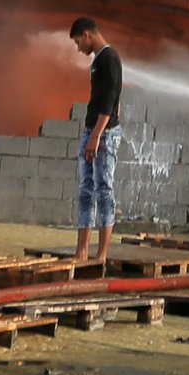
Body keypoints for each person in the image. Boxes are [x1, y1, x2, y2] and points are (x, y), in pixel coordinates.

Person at [69, 16, 123, 266]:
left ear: (87, 34)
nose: (78, 48)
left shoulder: (109, 58)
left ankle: (101, 255)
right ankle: (81, 251)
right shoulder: (99, 60)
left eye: (78, 42)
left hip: (103, 135)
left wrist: (97, 136)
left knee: (104, 190)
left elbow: (109, 100)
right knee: (86, 190)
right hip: (93, 131)